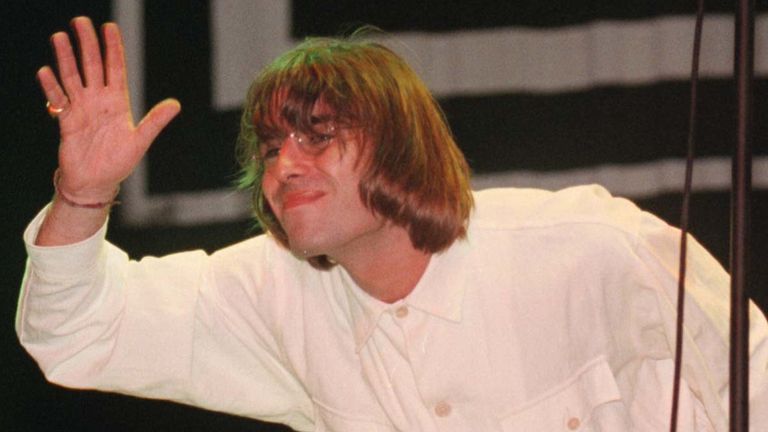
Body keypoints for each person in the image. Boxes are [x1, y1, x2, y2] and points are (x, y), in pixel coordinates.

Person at [16, 16, 768, 432]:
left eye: (317, 135)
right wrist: (83, 196)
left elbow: (755, 381)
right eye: (272, 147)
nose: (284, 165)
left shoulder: (590, 247)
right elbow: (75, 331)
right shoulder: (266, 291)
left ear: (401, 148)